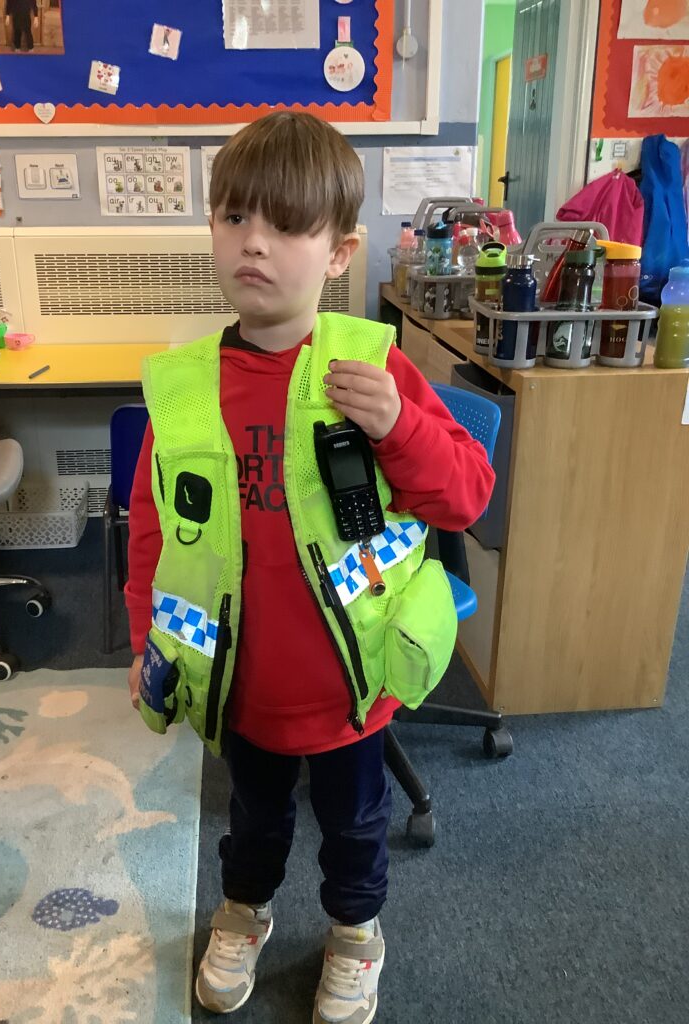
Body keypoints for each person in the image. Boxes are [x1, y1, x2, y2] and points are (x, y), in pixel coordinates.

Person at [125, 111, 495, 1023]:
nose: (254, 242)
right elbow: (153, 534)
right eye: (235, 216)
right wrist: (148, 644)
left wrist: (398, 427)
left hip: (350, 685)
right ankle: (244, 913)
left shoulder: (372, 368)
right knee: (251, 822)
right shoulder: (184, 388)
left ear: (340, 252)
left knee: (356, 827)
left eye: (287, 224)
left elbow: (465, 498)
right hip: (241, 682)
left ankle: (354, 932)